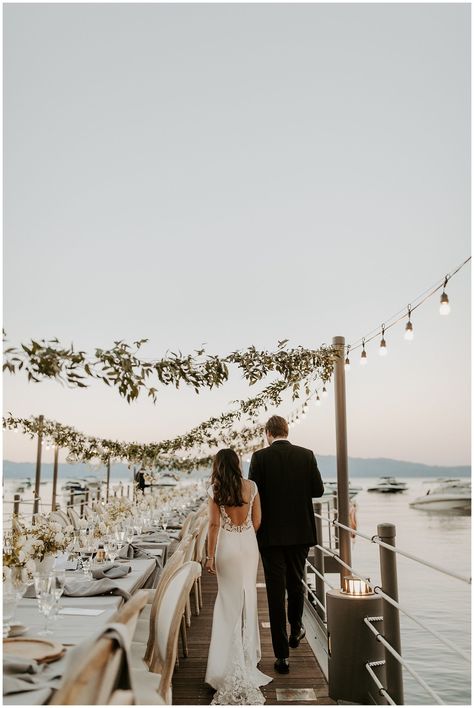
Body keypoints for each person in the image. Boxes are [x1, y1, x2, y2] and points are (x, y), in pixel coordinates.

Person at [249, 415, 324, 674]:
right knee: (296, 583)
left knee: (274, 593)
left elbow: (252, 495)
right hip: (301, 533)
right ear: (286, 431)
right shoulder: (307, 455)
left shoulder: (259, 458)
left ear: (268, 433)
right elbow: (318, 490)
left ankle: (282, 657)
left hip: (270, 536)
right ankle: (296, 629)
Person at [205, 448, 273, 705]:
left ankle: (223, 666)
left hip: (226, 547)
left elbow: (213, 525)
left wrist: (210, 556)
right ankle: (246, 659)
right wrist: (244, 534)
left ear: (218, 466)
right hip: (247, 546)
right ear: (237, 464)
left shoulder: (215, 489)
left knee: (226, 602)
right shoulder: (252, 487)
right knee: (248, 601)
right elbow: (257, 521)